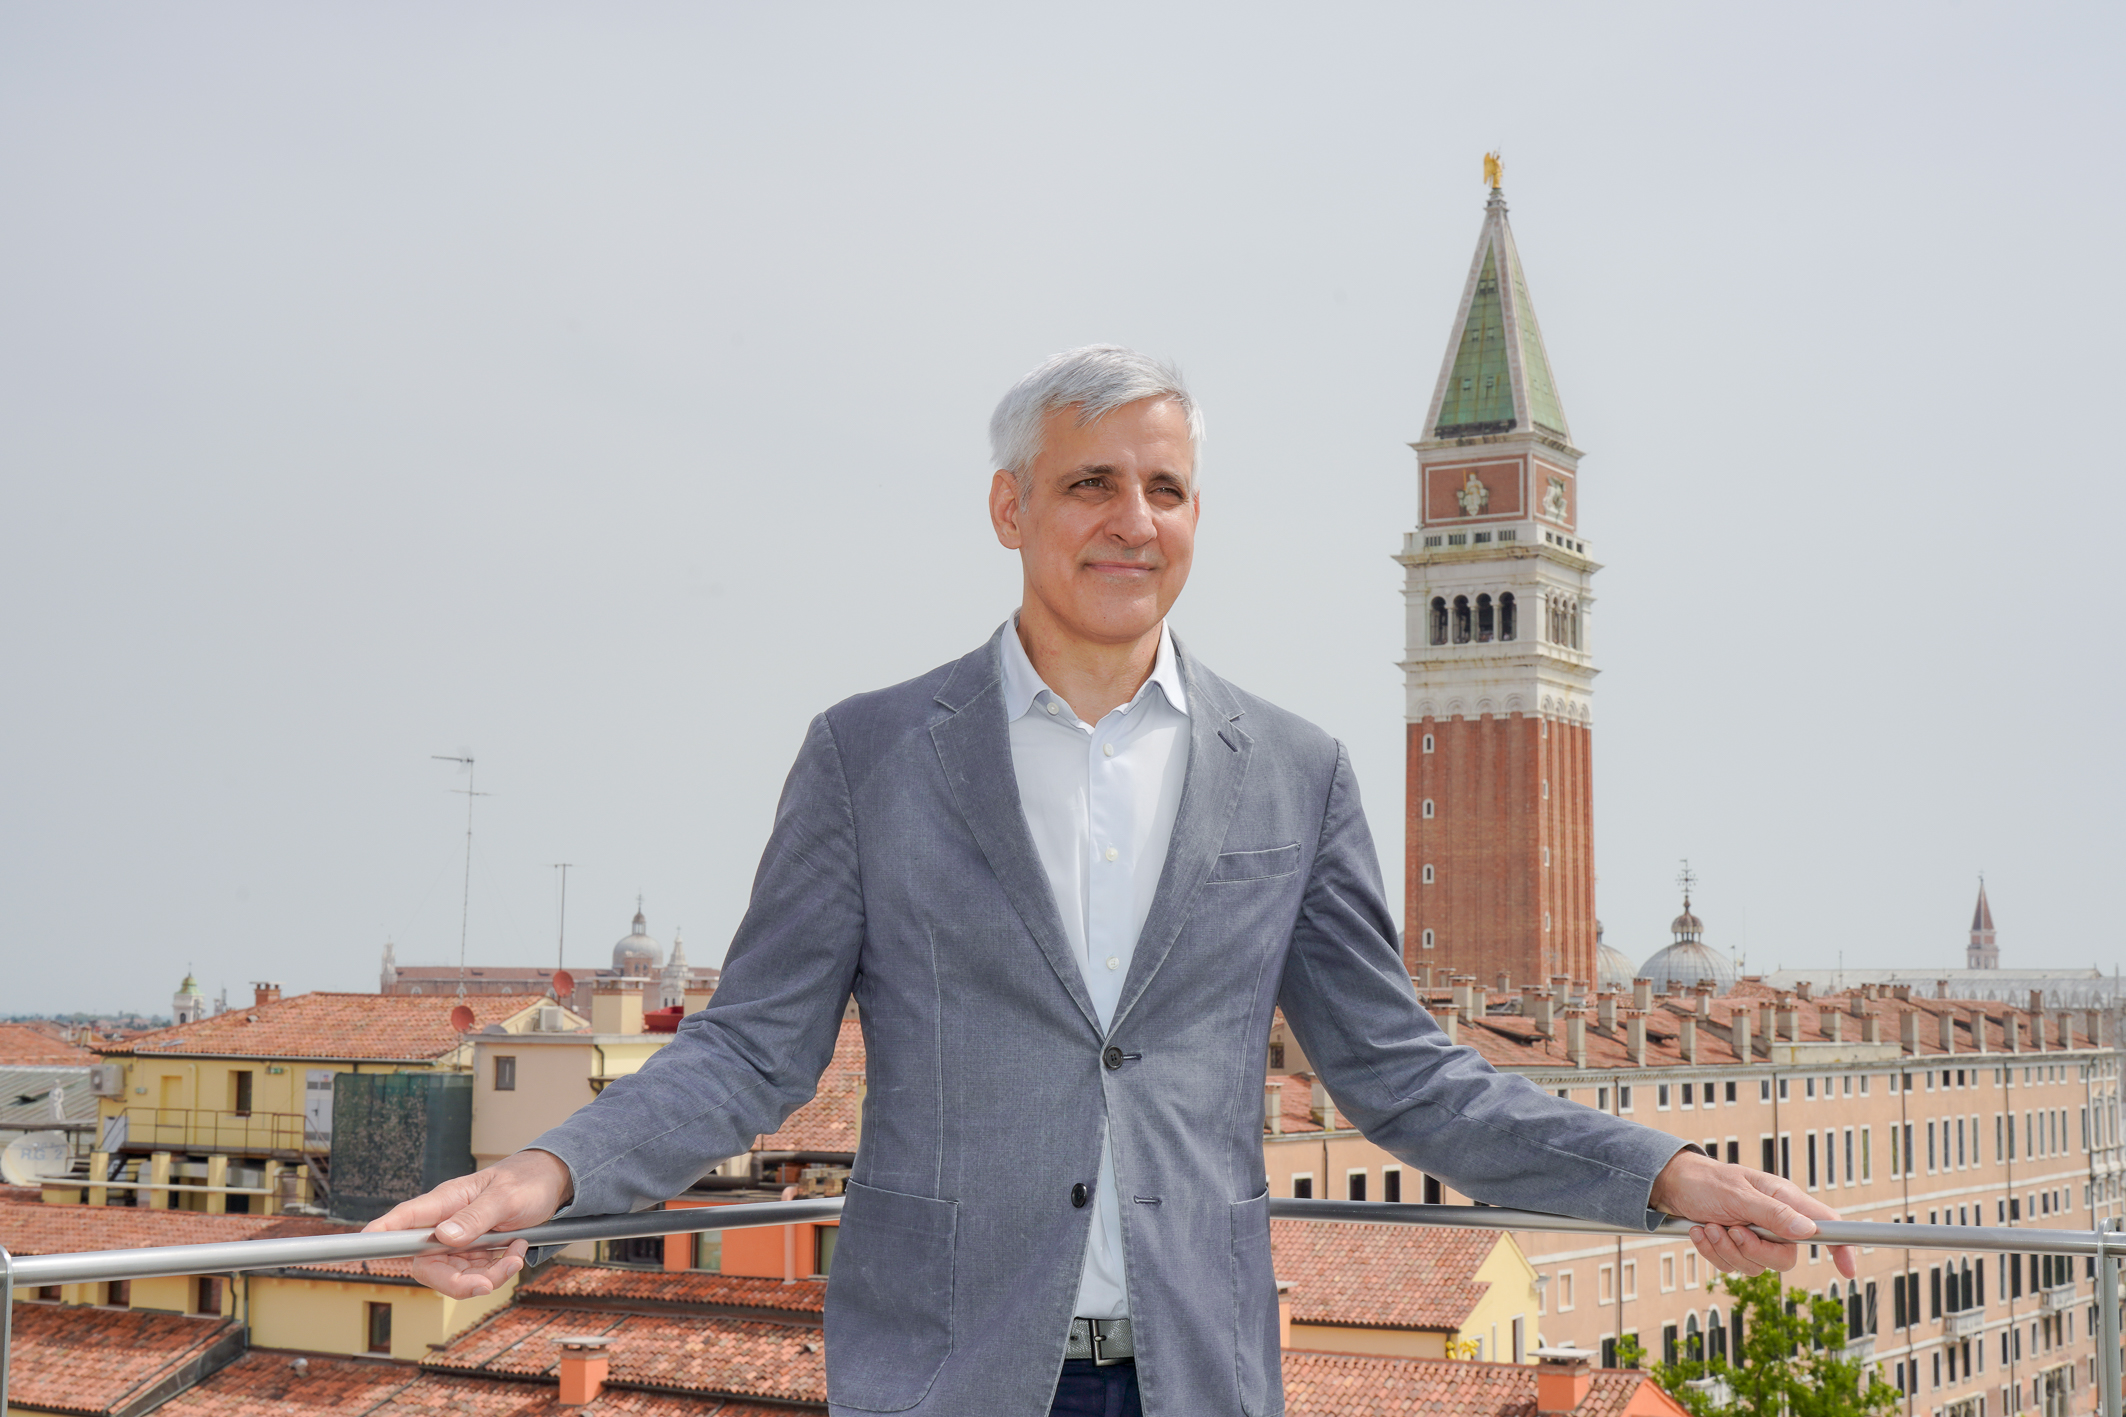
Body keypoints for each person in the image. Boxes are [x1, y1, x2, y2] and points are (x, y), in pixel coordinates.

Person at [370, 346, 1853, 1417]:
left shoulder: (1295, 768)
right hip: (944, 1375)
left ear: (1195, 520)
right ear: (1010, 506)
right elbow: (754, 1052)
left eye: (1166, 488)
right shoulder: (867, 753)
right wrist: (540, 1174)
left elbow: (1400, 1072)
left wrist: (1657, 1170)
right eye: (1092, 483)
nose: (1130, 520)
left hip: (1198, 1375)